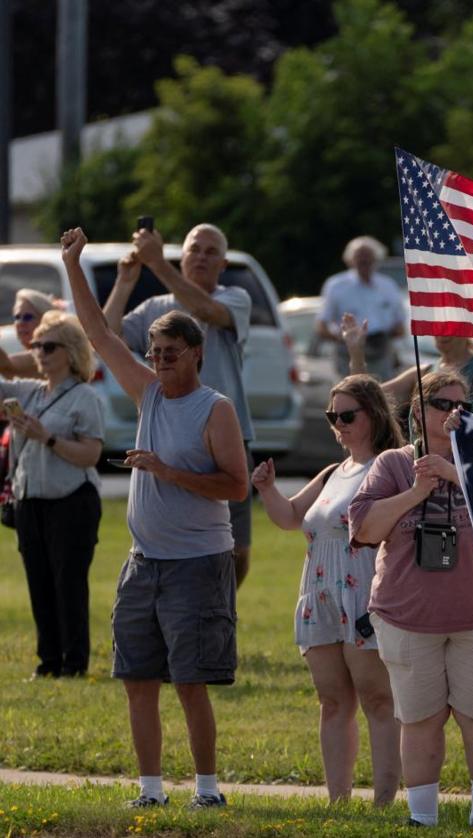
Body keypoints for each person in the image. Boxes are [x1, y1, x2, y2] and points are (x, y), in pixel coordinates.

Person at [61, 227, 248, 810]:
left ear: (197, 353)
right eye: (155, 354)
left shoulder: (213, 409)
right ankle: (149, 792)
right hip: (144, 563)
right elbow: (96, 333)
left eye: (172, 353)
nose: (161, 362)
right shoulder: (147, 393)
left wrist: (168, 472)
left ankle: (208, 792)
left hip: (197, 563)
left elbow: (236, 485)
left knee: (190, 684)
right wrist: (74, 264)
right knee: (138, 680)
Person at [348, 370, 473, 827]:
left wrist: (455, 476)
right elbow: (363, 529)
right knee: (420, 721)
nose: (454, 413)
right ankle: (422, 817)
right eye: (442, 404)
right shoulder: (393, 465)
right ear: (418, 412)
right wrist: (416, 491)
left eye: (464, 407)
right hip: (407, 617)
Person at [251, 374, 402, 805]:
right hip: (319, 594)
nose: (338, 423)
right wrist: (266, 489)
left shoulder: (390, 465)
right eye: (332, 415)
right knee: (332, 701)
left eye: (347, 414)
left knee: (377, 698)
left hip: (363, 594)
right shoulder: (334, 471)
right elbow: (291, 517)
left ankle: (384, 801)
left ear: (372, 415)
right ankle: (339, 799)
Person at [102, 223, 256, 588]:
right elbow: (107, 340)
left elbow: (205, 309)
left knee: (238, 547)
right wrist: (125, 282)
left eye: (211, 251)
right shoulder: (157, 307)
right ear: (182, 256)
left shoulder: (235, 297)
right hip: (170, 431)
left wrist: (157, 263)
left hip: (228, 433)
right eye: (194, 249)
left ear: (223, 264)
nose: (201, 256)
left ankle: (221, 611)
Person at [0, 311, 103, 678]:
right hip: (30, 502)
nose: (39, 352)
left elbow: (91, 454)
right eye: (36, 345)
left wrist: (48, 437)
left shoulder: (85, 397)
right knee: (39, 583)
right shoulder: (29, 391)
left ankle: (74, 664)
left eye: (48, 345)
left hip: (71, 501)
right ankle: (48, 664)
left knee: (68, 584)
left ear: (71, 351)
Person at [318, 236, 408, 379]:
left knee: (383, 396)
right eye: (359, 256)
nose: (364, 261)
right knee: (351, 394)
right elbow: (322, 326)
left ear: (377, 259)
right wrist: (346, 340)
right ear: (350, 259)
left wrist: (384, 339)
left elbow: (400, 325)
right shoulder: (336, 286)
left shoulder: (388, 286)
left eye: (368, 256)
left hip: (381, 354)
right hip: (347, 354)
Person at [381, 335, 473, 435]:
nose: (441, 334)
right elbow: (371, 395)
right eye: (438, 326)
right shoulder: (424, 372)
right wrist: (360, 350)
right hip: (425, 462)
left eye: (449, 326)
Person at [0, 289, 60, 378]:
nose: (21, 323)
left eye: (28, 317)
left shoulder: (53, 353)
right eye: (17, 317)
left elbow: (7, 366)